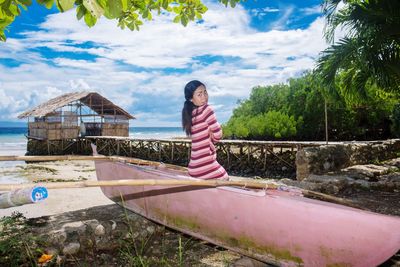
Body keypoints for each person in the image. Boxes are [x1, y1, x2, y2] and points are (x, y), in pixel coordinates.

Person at [182, 80, 229, 180]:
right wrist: (212, 134)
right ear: (191, 98)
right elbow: (218, 136)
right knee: (226, 178)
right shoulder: (206, 109)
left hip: (193, 169)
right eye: (199, 94)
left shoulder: (190, 114)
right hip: (206, 167)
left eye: (205, 92)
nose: (204, 96)